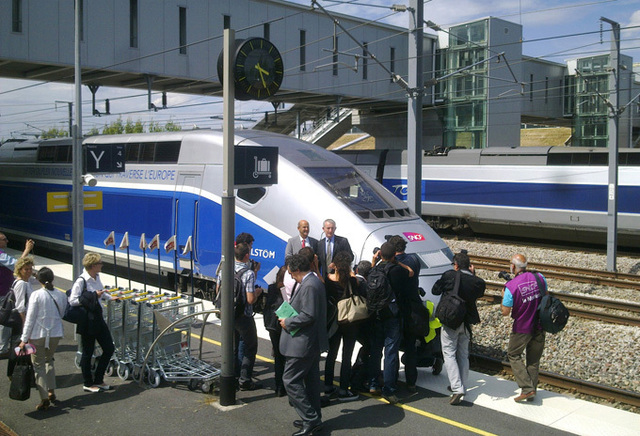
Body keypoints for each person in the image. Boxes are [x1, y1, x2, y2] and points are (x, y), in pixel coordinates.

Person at [279, 254, 328, 436]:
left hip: (302, 343)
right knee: (312, 381)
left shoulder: (309, 286)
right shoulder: (313, 282)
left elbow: (308, 314)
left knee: (290, 380)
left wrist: (288, 322)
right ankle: (314, 417)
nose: (290, 275)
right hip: (311, 341)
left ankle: (311, 419)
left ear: (297, 270)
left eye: (291, 272)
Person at [432, 250, 485, 405]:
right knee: (463, 354)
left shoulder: (449, 275)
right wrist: (472, 274)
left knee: (449, 353)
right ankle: (462, 385)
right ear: (469, 266)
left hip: (451, 321)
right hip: (466, 322)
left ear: (455, 265)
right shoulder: (476, 281)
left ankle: (457, 388)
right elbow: (480, 291)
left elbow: (435, 290)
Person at [18, 267, 67, 411]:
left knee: (38, 365)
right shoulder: (60, 295)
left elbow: (30, 319)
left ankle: (44, 397)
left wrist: (24, 339)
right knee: (49, 360)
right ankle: (52, 391)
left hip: (38, 335)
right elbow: (62, 313)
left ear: (38, 280)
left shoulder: (36, 295)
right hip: (55, 333)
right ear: (52, 278)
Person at [368, 242, 411, 405]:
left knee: (376, 350)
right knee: (391, 351)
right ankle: (389, 388)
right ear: (394, 256)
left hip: (376, 314)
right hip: (392, 314)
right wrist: (397, 262)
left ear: (380, 255)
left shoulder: (375, 270)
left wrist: (376, 261)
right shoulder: (398, 271)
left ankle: (373, 383)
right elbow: (409, 276)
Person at [501, 253, 547, 403]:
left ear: (513, 266)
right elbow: (545, 295)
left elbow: (505, 312)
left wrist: (503, 296)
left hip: (522, 327)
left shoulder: (511, 286)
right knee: (533, 360)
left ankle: (527, 389)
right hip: (540, 325)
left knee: (513, 354)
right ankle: (531, 390)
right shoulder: (540, 277)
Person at [69, 252, 115, 393]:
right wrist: (93, 296)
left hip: (98, 317)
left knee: (109, 348)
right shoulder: (81, 281)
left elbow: (100, 291)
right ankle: (87, 383)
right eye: (100, 263)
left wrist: (110, 297)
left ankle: (98, 379)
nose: (102, 265)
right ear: (93, 265)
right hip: (87, 320)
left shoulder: (97, 277)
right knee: (88, 352)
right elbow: (72, 300)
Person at [323, 251, 362, 401]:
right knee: (347, 356)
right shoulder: (352, 281)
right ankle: (344, 389)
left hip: (334, 321)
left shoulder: (328, 280)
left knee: (331, 355)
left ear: (335, 265)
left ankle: (328, 386)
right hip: (350, 322)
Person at [388, 235, 422, 393]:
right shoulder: (415, 260)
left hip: (398, 309)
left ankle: (392, 379)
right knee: (410, 346)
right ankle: (411, 381)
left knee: (393, 345)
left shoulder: (394, 267)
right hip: (413, 308)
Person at [233, 242, 263, 391]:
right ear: (247, 256)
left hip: (228, 313)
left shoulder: (224, 269)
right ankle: (245, 380)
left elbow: (218, 289)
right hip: (243, 316)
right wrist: (257, 293)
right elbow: (250, 299)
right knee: (250, 346)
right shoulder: (248, 273)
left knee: (234, 344)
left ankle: (233, 374)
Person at [0, 234, 34, 358]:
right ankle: (3, 348)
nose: (7, 241)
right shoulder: (0, 255)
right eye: (4, 239)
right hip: (3, 291)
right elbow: (17, 265)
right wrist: (27, 250)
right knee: (5, 320)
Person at [7, 256, 39, 378]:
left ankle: (20, 372)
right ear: (20, 270)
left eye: (30, 269)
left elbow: (39, 280)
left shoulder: (25, 281)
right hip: (21, 318)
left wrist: (35, 274)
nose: (29, 271)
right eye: (26, 269)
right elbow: (20, 306)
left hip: (22, 318)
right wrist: (26, 323)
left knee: (21, 346)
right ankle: (15, 373)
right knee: (19, 346)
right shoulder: (21, 284)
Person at [264, 265, 287, 397]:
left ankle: (278, 386)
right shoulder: (286, 289)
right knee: (284, 355)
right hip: (282, 324)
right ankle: (283, 384)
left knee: (278, 356)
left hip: (271, 324)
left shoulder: (272, 287)